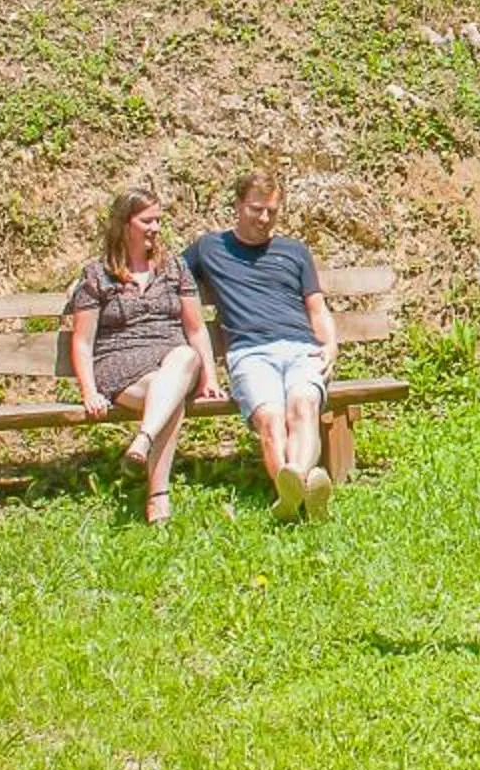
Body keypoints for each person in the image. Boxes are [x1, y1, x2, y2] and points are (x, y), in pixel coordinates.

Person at [181, 170, 339, 521]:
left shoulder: (294, 251)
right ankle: (303, 493)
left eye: (272, 211)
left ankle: (291, 492)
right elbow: (162, 276)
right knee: (270, 419)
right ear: (237, 205)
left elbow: (317, 308)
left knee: (304, 405)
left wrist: (330, 346)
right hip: (249, 352)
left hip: (301, 347)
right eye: (256, 209)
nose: (264, 219)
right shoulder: (210, 248)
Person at [64, 190, 217, 526]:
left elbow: (195, 329)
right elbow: (83, 342)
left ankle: (143, 440)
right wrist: (89, 391)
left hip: (173, 362)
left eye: (158, 220)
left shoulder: (174, 267)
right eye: (147, 220)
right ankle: (157, 497)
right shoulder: (97, 274)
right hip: (120, 367)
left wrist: (211, 379)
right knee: (170, 399)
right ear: (124, 224)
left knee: (186, 357)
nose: (156, 227)